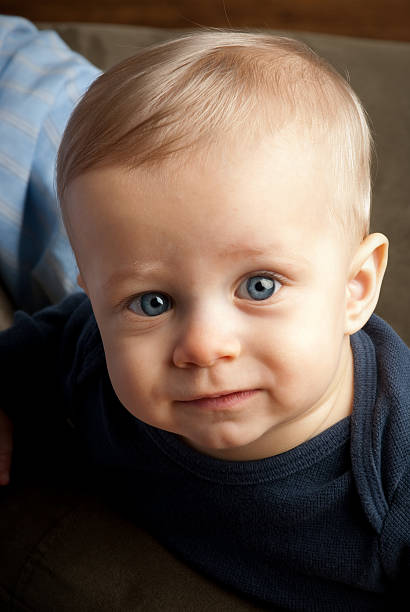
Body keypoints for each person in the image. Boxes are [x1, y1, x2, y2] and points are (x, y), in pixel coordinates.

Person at [0, 16, 409, 612]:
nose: (203, 345)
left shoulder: (390, 468)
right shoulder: (89, 348)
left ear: (355, 288)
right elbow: (42, 343)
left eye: (260, 286)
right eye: (153, 302)